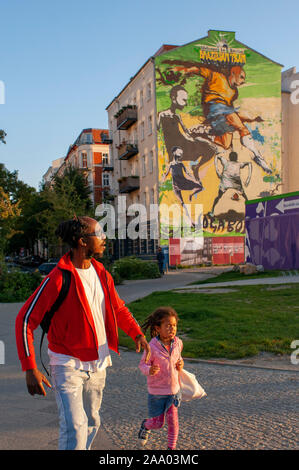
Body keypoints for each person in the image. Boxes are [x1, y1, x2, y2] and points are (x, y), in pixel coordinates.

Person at [15, 216, 150, 450]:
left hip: (98, 363)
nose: (104, 237)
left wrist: (136, 332)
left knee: (91, 423)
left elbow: (117, 307)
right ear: (82, 241)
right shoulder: (58, 278)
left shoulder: (101, 272)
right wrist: (29, 367)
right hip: (67, 364)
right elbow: (25, 319)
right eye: (99, 233)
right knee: (74, 427)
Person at [162, 60, 272, 174]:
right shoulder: (217, 77)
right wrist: (186, 70)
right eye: (242, 77)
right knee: (242, 128)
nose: (243, 81)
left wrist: (252, 119)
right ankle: (258, 156)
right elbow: (200, 70)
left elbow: (232, 113)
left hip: (223, 112)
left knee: (225, 144)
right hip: (214, 107)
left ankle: (205, 131)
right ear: (233, 73)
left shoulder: (233, 92)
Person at [138, 307, 184, 450]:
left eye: (174, 325)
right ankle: (146, 425)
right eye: (168, 326)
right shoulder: (151, 347)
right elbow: (142, 365)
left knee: (173, 420)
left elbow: (179, 358)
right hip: (157, 392)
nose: (172, 329)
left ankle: (171, 448)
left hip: (173, 390)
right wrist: (149, 370)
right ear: (158, 328)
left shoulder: (178, 343)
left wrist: (181, 364)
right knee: (158, 423)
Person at [162, 146, 204, 226]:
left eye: (181, 153)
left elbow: (187, 173)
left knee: (200, 187)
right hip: (176, 186)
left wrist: (195, 180)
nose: (181, 154)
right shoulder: (170, 164)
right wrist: (162, 181)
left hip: (183, 183)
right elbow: (166, 174)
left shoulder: (181, 164)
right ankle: (191, 221)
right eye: (179, 152)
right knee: (182, 204)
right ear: (174, 153)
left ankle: (191, 195)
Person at [209, 151, 252, 217]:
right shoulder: (237, 163)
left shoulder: (226, 162)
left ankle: (212, 211)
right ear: (236, 157)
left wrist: (217, 171)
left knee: (218, 197)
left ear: (229, 157)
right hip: (231, 183)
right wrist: (248, 179)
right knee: (245, 196)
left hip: (228, 182)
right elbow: (249, 164)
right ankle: (251, 211)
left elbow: (216, 156)